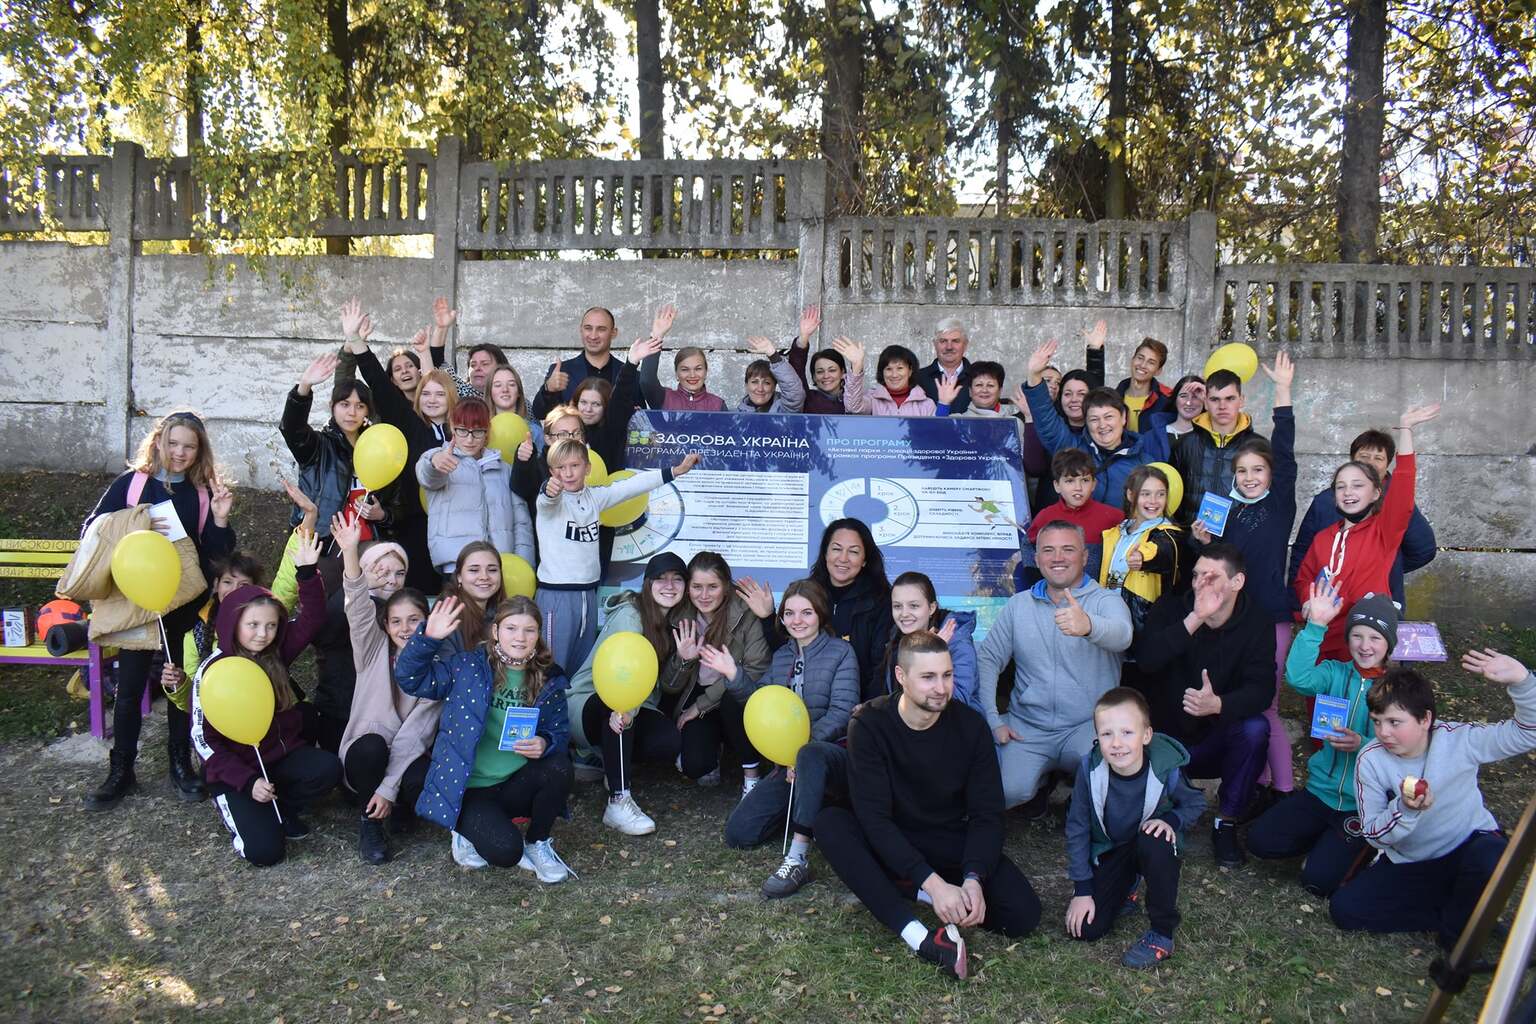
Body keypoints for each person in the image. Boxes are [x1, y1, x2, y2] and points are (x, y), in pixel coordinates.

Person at [814, 631, 1042, 980]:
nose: (940, 687)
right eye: (928, 677)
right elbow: (875, 819)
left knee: (1022, 915)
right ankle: (921, 938)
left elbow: (987, 813)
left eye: (947, 675)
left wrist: (973, 878)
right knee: (831, 824)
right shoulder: (870, 724)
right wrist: (935, 886)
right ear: (901, 676)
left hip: (944, 837)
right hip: (889, 835)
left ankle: (915, 889)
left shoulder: (971, 727)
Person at [82, 410, 237, 810]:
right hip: (137, 603)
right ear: (158, 442)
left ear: (200, 451)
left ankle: (180, 764)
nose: (180, 453)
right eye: (173, 443)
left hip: (183, 606)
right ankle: (121, 770)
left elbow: (216, 557)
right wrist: (134, 528)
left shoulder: (202, 493)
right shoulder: (132, 484)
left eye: (189, 446)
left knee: (178, 686)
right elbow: (92, 531)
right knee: (130, 689)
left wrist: (220, 520)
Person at [1332, 651, 1536, 952]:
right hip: (1412, 859)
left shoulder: (1459, 740)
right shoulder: (1371, 759)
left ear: (1425, 719)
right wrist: (1404, 809)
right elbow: (1373, 833)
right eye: (1377, 721)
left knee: (1493, 856)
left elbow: (1528, 733)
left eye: (1395, 722)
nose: (1384, 733)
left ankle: (1456, 935)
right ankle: (1462, 910)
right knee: (1345, 910)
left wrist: (1523, 682)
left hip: (1466, 845)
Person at [395, 596, 574, 880]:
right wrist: (428, 638)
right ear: (495, 631)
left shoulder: (548, 677)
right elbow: (410, 678)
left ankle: (538, 842)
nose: (520, 637)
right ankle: (463, 831)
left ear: (538, 635)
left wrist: (545, 742)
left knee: (560, 766)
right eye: (511, 628)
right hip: (470, 788)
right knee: (506, 852)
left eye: (529, 630)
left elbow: (560, 731)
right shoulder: (467, 667)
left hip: (515, 782)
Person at [1189, 353, 1297, 806]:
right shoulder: (1223, 507)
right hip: (1232, 620)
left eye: (1257, 470)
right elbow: (1217, 564)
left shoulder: (1279, 503)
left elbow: (1285, 450)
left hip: (1270, 616)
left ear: (1270, 474)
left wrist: (1283, 393)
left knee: (1265, 706)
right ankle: (1255, 781)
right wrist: (1203, 541)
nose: (1249, 478)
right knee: (1237, 702)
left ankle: (1283, 791)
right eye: (1241, 471)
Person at [190, 535, 337, 866]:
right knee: (266, 853)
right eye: (253, 625)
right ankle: (244, 809)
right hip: (236, 773)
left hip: (276, 757)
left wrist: (307, 573)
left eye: (271, 626)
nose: (262, 634)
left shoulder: (275, 652)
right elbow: (204, 741)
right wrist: (247, 781)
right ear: (233, 623)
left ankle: (282, 804)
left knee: (327, 769)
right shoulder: (213, 671)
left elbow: (312, 618)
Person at [1247, 585, 1395, 896]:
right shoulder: (1334, 672)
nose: (1364, 646)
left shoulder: (1398, 690)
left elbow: (1404, 749)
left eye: (1375, 638)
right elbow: (1298, 678)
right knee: (1259, 841)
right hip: (1319, 793)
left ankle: (1360, 846)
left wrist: (1363, 745)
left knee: (1318, 882)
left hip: (1362, 804)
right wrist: (1315, 626)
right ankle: (1326, 842)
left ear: (1388, 643)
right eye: (1357, 636)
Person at [976, 521, 1134, 812]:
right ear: (1037, 559)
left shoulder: (1105, 600)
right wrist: (993, 719)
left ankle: (1080, 795)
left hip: (1087, 726)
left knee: (1112, 783)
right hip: (1028, 727)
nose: (1058, 558)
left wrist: (1089, 626)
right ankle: (1040, 784)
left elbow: (1123, 636)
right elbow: (988, 659)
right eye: (1048, 550)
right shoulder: (1018, 605)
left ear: (1084, 557)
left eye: (1068, 549)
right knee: (1004, 792)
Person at [1134, 544, 1276, 866]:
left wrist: (1218, 704)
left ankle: (1226, 822)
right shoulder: (1174, 606)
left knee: (1255, 729)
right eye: (1197, 575)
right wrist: (1195, 619)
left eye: (1211, 578)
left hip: (1216, 741)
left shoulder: (1257, 621)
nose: (1200, 584)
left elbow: (1262, 690)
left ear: (1237, 582)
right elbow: (1146, 660)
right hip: (1165, 740)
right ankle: (1166, 809)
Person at [712, 580, 857, 887]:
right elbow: (761, 702)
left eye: (806, 612)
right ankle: (806, 811)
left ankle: (798, 856)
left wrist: (801, 751)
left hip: (827, 757)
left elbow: (842, 712)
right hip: (790, 764)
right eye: (789, 613)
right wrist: (733, 674)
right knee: (738, 834)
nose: (797, 620)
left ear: (820, 613)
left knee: (811, 758)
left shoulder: (841, 652)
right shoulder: (781, 657)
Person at [1064, 687, 1205, 968]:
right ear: (1097, 737)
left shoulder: (1165, 766)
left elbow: (1195, 803)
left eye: (1127, 732)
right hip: (1112, 850)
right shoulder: (1090, 770)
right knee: (1086, 929)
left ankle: (1162, 934)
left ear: (1146, 735)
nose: (1117, 743)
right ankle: (1127, 885)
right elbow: (1077, 827)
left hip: (1150, 843)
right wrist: (1082, 890)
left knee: (1156, 840)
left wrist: (1170, 821)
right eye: (1107, 734)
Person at [535, 439, 700, 672]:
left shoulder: (594, 497)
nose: (568, 473)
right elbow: (546, 500)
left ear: (587, 468)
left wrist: (675, 471)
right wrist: (548, 490)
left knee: (581, 667)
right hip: (556, 595)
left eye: (575, 465)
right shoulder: (550, 501)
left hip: (588, 594)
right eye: (560, 468)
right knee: (550, 666)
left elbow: (631, 486)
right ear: (552, 472)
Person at [1292, 404, 1440, 662]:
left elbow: (1403, 489)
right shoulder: (1323, 538)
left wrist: (1406, 429)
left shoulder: (1383, 533)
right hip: (1325, 639)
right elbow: (1304, 579)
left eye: (1358, 485)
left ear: (1376, 492)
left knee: (1369, 688)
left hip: (1366, 645)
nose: (1349, 492)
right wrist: (1308, 602)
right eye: (1341, 486)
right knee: (1315, 687)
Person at [332, 515, 441, 865]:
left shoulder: (435, 667)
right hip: (366, 753)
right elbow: (357, 606)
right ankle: (371, 822)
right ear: (385, 625)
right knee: (372, 748)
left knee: (421, 775)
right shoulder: (372, 647)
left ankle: (401, 804)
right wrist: (351, 552)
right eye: (396, 621)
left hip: (406, 754)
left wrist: (389, 788)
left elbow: (415, 735)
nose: (405, 628)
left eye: (414, 620)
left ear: (428, 622)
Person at [567, 553, 691, 835]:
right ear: (648, 584)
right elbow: (621, 677)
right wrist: (628, 711)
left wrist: (683, 660)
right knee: (619, 709)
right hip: (589, 699)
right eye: (660, 579)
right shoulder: (631, 614)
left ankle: (607, 760)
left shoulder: (674, 621)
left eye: (677, 579)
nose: (669, 586)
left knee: (667, 741)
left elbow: (667, 686)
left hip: (635, 702)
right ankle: (618, 801)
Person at [337, 305, 454, 595]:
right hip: (416, 525)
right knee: (417, 595)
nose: (432, 399)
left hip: (458, 526)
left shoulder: (462, 429)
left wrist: (431, 346)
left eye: (439, 394)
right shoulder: (410, 424)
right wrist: (356, 340)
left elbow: (437, 378)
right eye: (426, 394)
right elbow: (378, 382)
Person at [1288, 427, 1438, 612]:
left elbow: (1423, 550)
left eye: (1378, 458)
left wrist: (1384, 566)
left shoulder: (1392, 513)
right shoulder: (1324, 518)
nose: (1370, 463)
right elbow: (1303, 559)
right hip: (1327, 614)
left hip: (1375, 613)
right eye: (1364, 456)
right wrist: (1301, 602)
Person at [664, 552, 773, 796]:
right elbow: (669, 686)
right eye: (697, 587)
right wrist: (683, 660)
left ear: (726, 586)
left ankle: (752, 776)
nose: (704, 595)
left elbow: (756, 668)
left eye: (712, 587)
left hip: (734, 697)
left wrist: (700, 705)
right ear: (688, 588)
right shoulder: (679, 617)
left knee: (731, 699)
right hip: (700, 694)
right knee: (695, 766)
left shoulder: (745, 612)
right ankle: (714, 748)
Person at [1019, 339, 1156, 508]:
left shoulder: (1145, 462)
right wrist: (1034, 376)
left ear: (1123, 417)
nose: (1102, 425)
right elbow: (1046, 419)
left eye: (1108, 417)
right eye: (1094, 419)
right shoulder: (1074, 449)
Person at [416, 396, 535, 576]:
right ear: (452, 427)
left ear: (487, 431)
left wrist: (524, 567)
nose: (470, 439)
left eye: (478, 431)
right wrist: (435, 463)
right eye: (463, 430)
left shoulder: (504, 469)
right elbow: (428, 476)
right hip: (455, 566)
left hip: (500, 566)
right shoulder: (439, 458)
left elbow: (521, 522)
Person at [282, 352, 383, 542]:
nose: (352, 412)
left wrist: (383, 515)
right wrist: (304, 386)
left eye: (360, 406)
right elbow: (292, 429)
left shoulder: (376, 449)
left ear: (368, 411)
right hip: (323, 542)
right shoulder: (318, 446)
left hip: (369, 542)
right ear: (332, 407)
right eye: (345, 404)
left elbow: (394, 502)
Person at [808, 519, 893, 701]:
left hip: (861, 706)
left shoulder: (882, 601)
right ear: (825, 553)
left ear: (865, 560)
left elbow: (881, 666)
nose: (843, 558)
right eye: (836, 549)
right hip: (808, 703)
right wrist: (767, 617)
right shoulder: (806, 595)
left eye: (853, 551)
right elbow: (787, 654)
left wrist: (868, 708)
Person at [1168, 369, 1263, 523]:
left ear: (1241, 400)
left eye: (1230, 398)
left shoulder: (1258, 446)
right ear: (1205, 402)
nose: (1222, 406)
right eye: (1214, 399)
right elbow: (1171, 494)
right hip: (1190, 535)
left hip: (1238, 536)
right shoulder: (1184, 445)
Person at [533, 306, 666, 415]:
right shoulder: (561, 371)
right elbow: (539, 413)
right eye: (588, 328)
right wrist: (548, 389)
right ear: (581, 330)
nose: (593, 336)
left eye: (601, 329)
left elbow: (639, 422)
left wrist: (656, 336)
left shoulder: (633, 376)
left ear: (614, 333)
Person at [1098, 464, 1185, 633]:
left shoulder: (1168, 533)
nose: (1153, 501)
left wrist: (1142, 557)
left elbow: (1163, 551)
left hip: (1143, 624)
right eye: (1146, 494)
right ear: (1131, 495)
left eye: (1160, 494)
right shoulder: (1116, 532)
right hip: (1108, 616)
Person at [883, 572, 980, 712]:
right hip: (910, 719)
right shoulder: (897, 637)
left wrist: (932, 651)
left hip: (957, 722)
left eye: (914, 606)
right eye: (897, 606)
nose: (904, 614)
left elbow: (958, 700)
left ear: (932, 608)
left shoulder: (957, 640)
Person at [1025, 450, 1123, 585]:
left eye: (1085, 480)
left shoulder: (1114, 517)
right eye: (1070, 481)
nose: (1078, 488)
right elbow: (1028, 548)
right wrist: (1039, 582)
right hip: (1055, 593)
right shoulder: (1045, 517)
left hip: (1099, 594)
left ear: (1094, 484)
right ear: (1057, 486)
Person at [439, 541, 506, 654]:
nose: (484, 577)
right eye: (474, 570)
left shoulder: (503, 611)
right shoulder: (446, 615)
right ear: (459, 577)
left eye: (492, 570)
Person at [640, 335, 728, 412]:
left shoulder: (718, 405)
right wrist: (657, 335)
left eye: (698, 369)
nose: (692, 375)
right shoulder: (665, 398)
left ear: (706, 371)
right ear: (676, 374)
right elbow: (647, 380)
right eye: (685, 370)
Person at [788, 336, 871, 415]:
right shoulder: (806, 398)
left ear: (843, 373)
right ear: (814, 377)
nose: (826, 376)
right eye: (820, 372)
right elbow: (796, 373)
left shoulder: (859, 400)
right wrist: (803, 338)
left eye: (832, 370)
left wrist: (857, 365)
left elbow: (854, 403)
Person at [1114, 337, 1174, 432]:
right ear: (1132, 360)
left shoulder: (1167, 399)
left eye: (1151, 362)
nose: (1142, 365)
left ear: (1158, 371)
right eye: (1140, 358)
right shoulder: (1114, 397)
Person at [916, 318, 973, 415]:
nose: (949, 347)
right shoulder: (918, 378)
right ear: (935, 344)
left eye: (955, 341)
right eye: (943, 341)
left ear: (965, 344)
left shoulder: (977, 378)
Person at [737, 335, 806, 413]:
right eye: (754, 382)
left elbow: (795, 394)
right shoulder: (736, 416)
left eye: (767, 383)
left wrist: (773, 355)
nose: (760, 389)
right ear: (746, 385)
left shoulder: (784, 410)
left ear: (774, 387)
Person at [866, 344, 938, 416]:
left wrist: (943, 403)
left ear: (910, 371)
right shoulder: (872, 399)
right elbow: (859, 408)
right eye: (889, 369)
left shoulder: (927, 405)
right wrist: (859, 365)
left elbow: (937, 423)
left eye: (900, 368)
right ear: (882, 372)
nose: (894, 375)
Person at [1141, 374, 1204, 448]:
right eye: (1183, 396)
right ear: (1175, 400)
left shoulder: (1213, 436)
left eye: (1195, 397)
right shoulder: (1150, 438)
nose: (1188, 402)